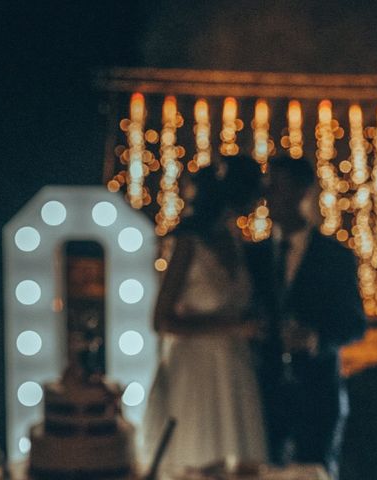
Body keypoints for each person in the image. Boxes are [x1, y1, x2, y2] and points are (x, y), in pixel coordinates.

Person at [141, 156, 268, 475]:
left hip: (235, 367)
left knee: (243, 466)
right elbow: (161, 321)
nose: (258, 201)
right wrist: (233, 326)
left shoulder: (235, 241)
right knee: (200, 464)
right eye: (254, 193)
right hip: (197, 369)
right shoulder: (188, 244)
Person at [244, 155, 367, 480]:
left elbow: (355, 324)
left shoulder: (335, 256)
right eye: (267, 187)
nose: (269, 195)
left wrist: (315, 339)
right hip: (264, 391)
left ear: (303, 191)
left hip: (317, 391)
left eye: (278, 186)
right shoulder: (252, 255)